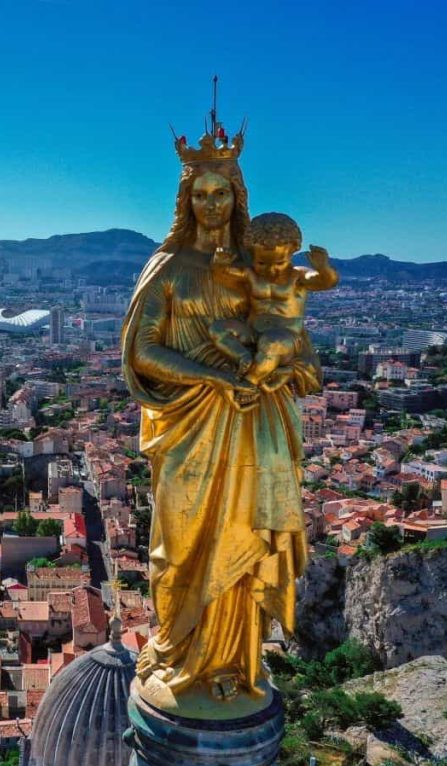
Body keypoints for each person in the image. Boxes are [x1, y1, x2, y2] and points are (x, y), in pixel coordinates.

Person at [120, 126, 321, 711]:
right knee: (176, 548)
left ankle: (234, 661)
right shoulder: (168, 266)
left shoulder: (259, 266)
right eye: (201, 194)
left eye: (222, 193)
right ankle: (180, 651)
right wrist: (215, 376)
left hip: (253, 423)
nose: (212, 204)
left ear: (238, 198)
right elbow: (142, 351)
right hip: (190, 423)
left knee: (244, 541)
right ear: (186, 201)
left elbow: (289, 333)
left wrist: (287, 368)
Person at [209, 212, 338, 391]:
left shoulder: (297, 276)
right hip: (253, 332)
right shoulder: (250, 274)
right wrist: (219, 264)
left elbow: (325, 281)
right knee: (218, 329)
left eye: (279, 263)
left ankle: (249, 383)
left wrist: (323, 268)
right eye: (262, 263)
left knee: (271, 344)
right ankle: (244, 358)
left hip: (286, 339)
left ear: (292, 253)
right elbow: (223, 275)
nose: (271, 270)